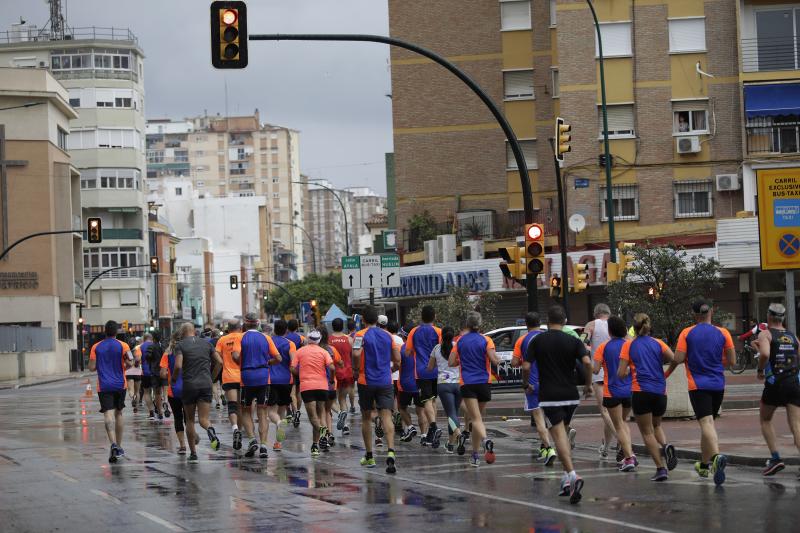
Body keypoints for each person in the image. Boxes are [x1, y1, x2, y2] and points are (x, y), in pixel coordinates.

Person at [527, 306, 592, 504]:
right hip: (571, 395)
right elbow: (588, 363)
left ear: (547, 321)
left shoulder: (538, 340)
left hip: (550, 395)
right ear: (564, 321)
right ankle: (565, 479)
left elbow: (525, 366)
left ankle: (573, 475)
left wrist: (526, 383)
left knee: (559, 436)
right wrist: (588, 385)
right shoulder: (573, 340)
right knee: (562, 434)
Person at [667, 298, 735, 485]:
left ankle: (716, 457)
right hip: (718, 385)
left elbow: (679, 358)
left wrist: (668, 369)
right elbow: (732, 361)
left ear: (694, 314)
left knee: (706, 423)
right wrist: (715, 362)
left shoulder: (687, 333)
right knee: (709, 424)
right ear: (711, 311)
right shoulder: (723, 333)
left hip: (698, 385)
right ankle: (704, 465)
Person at [618, 313, 677, 482]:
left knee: (646, 432)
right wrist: (666, 373)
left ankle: (660, 468)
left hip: (641, 391)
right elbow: (675, 359)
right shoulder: (658, 343)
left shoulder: (628, 346)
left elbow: (621, 373)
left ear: (633, 328)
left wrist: (629, 370)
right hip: (660, 391)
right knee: (656, 425)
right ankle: (666, 447)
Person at [353, 306, 401, 473]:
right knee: (386, 416)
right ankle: (391, 451)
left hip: (366, 381)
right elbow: (397, 359)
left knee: (366, 418)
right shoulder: (389, 336)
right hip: (385, 381)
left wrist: (356, 369)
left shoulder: (360, 335)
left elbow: (357, 355)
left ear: (364, 320)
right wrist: (392, 369)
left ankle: (369, 456)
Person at [448, 312, 500, 467]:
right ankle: (475, 455)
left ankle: (485, 440)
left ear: (467, 325)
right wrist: (498, 360)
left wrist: (460, 360)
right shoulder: (487, 340)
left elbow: (451, 362)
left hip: (468, 383)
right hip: (484, 382)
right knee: (478, 420)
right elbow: (494, 360)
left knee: (474, 419)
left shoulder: (460, 341)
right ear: (480, 324)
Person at [754, 303, 800, 477]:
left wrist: (760, 370)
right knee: (796, 425)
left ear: (768, 316)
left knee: (765, 419)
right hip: (794, 383)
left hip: (776, 383)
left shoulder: (766, 334)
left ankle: (776, 458)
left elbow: (765, 354)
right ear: (783, 318)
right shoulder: (792, 336)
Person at [171, 322, 223, 462]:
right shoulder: (207, 344)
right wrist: (212, 378)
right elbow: (219, 362)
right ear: (194, 331)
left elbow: (178, 366)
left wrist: (174, 379)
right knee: (203, 419)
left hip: (189, 386)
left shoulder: (180, 345)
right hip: (205, 384)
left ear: (182, 333)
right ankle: (210, 430)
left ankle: (193, 453)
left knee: (189, 420)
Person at [593, 316, 636, 472]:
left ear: (609, 331)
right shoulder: (630, 345)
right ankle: (628, 454)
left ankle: (629, 457)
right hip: (630, 390)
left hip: (612, 391)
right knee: (623, 423)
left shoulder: (603, 348)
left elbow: (596, 370)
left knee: (618, 425)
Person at [235, 313, 282, 458]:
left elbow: (236, 356)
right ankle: (263, 446)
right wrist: (267, 363)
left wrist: (243, 362)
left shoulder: (240, 337)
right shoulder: (266, 338)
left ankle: (251, 439)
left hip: (247, 377)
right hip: (263, 377)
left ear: (245, 323)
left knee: (246, 410)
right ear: (257, 323)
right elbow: (278, 358)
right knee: (263, 412)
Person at [513, 312, 556, 465]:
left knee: (539, 420)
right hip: (551, 382)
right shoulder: (549, 337)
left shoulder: (522, 340)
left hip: (533, 384)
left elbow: (515, 362)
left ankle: (549, 448)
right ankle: (545, 447)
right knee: (552, 418)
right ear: (540, 322)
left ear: (526, 324)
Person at [89, 321, 135, 463]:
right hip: (120, 384)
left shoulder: (96, 347)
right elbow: (131, 363)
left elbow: (91, 367)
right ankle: (119, 446)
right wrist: (123, 367)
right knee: (119, 413)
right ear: (116, 332)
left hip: (104, 385)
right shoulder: (124, 346)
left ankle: (113, 444)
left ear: (105, 331)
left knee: (108, 414)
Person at [292, 330, 336, 457]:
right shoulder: (324, 352)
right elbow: (332, 367)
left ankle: (323, 432)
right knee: (320, 414)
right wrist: (332, 380)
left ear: (308, 339)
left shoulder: (300, 351)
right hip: (322, 386)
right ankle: (315, 445)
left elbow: (292, 368)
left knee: (313, 417)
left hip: (307, 387)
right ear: (319, 340)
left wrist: (300, 374)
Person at [583, 303, 618, 460]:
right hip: (617, 372)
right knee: (612, 413)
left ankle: (621, 441)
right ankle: (606, 447)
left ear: (595, 313)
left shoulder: (591, 325)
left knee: (605, 412)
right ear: (608, 313)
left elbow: (582, 343)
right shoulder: (616, 324)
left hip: (599, 372)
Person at [406, 305, 442, 446]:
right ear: (434, 316)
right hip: (437, 370)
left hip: (422, 371)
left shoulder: (414, 332)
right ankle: (433, 432)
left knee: (426, 400)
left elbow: (408, 352)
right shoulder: (439, 331)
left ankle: (433, 427)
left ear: (421, 316)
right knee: (433, 401)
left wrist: (417, 349)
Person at [427, 326, 464, 454]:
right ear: (453, 335)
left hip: (443, 384)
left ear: (441, 336)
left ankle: (459, 435)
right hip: (459, 383)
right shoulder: (458, 346)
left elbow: (430, 367)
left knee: (451, 414)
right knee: (455, 413)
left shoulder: (436, 348)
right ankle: (450, 444)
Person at [268, 319, 295, 452]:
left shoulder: (269, 341)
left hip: (271, 380)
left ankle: (278, 423)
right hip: (286, 380)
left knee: (271, 412)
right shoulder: (290, 344)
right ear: (286, 330)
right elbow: (293, 363)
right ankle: (278, 443)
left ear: (275, 329)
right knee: (282, 411)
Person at [217, 319, 244, 450]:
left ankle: (235, 429)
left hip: (228, 376)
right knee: (242, 407)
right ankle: (241, 431)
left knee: (232, 406)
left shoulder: (222, 340)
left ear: (228, 328)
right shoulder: (243, 337)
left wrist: (222, 362)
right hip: (244, 377)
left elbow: (215, 354)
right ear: (239, 328)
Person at [160, 331, 187, 454]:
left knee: (177, 417)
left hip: (174, 390)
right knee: (189, 418)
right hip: (189, 388)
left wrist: (168, 375)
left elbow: (162, 373)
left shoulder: (167, 353)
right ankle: (193, 440)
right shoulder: (189, 351)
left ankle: (182, 446)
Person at [330, 318, 354, 435]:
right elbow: (354, 355)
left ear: (332, 326)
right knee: (343, 399)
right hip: (347, 373)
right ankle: (345, 426)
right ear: (342, 326)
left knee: (331, 401)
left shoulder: (328, 340)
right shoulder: (349, 339)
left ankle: (340, 414)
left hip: (333, 374)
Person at [397, 341, 422, 443]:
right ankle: (424, 435)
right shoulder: (421, 348)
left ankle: (410, 426)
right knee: (421, 411)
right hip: (420, 383)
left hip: (405, 383)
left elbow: (397, 364)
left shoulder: (402, 349)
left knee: (402, 408)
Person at [286, 319, 306, 426]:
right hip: (299, 368)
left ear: (288, 327)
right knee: (298, 393)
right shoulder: (301, 338)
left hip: (288, 368)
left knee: (291, 393)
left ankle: (293, 411)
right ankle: (297, 410)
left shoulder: (285, 338)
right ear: (297, 327)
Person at [126, 338, 143, 413]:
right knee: (137, 391)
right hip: (137, 371)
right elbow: (138, 360)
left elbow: (128, 362)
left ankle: (132, 398)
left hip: (129, 371)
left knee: (131, 390)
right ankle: (136, 406)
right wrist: (136, 364)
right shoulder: (138, 350)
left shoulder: (128, 352)